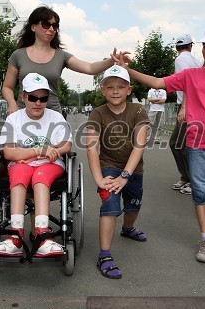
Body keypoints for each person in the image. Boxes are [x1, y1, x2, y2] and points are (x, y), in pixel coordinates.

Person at [112, 24, 205, 266]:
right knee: (200, 192)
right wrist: (128, 70)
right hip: (196, 144)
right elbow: (157, 82)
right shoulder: (191, 76)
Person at [0, 73, 72, 257]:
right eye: (33, 97)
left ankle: (42, 234)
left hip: (50, 165)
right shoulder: (14, 119)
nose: (38, 102)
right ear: (23, 97)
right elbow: (10, 153)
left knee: (40, 176)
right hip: (22, 164)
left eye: (43, 98)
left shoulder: (56, 117)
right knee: (19, 173)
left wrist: (52, 151)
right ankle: (16, 235)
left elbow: (67, 144)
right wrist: (39, 151)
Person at [85, 65, 149, 279]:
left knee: (133, 206)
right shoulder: (98, 112)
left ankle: (128, 228)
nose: (115, 91)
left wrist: (126, 176)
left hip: (132, 169)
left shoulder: (138, 110)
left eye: (120, 87)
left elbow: (139, 145)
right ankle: (104, 255)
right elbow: (91, 147)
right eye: (110, 87)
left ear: (129, 90)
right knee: (110, 206)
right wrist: (99, 179)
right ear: (102, 89)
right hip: (108, 167)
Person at [1, 5, 122, 115]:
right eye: (46, 24)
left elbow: (90, 68)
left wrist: (111, 61)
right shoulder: (18, 55)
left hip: (53, 116)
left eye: (55, 25)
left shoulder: (61, 55)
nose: (51, 29)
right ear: (33, 27)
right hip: (23, 115)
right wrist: (12, 103)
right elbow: (7, 87)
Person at [170, 34, 202, 195]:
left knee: (180, 144)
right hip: (195, 106)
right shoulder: (197, 61)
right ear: (190, 45)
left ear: (177, 48)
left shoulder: (180, 60)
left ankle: (192, 179)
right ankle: (186, 177)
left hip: (188, 107)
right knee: (180, 144)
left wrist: (184, 107)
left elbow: (187, 83)